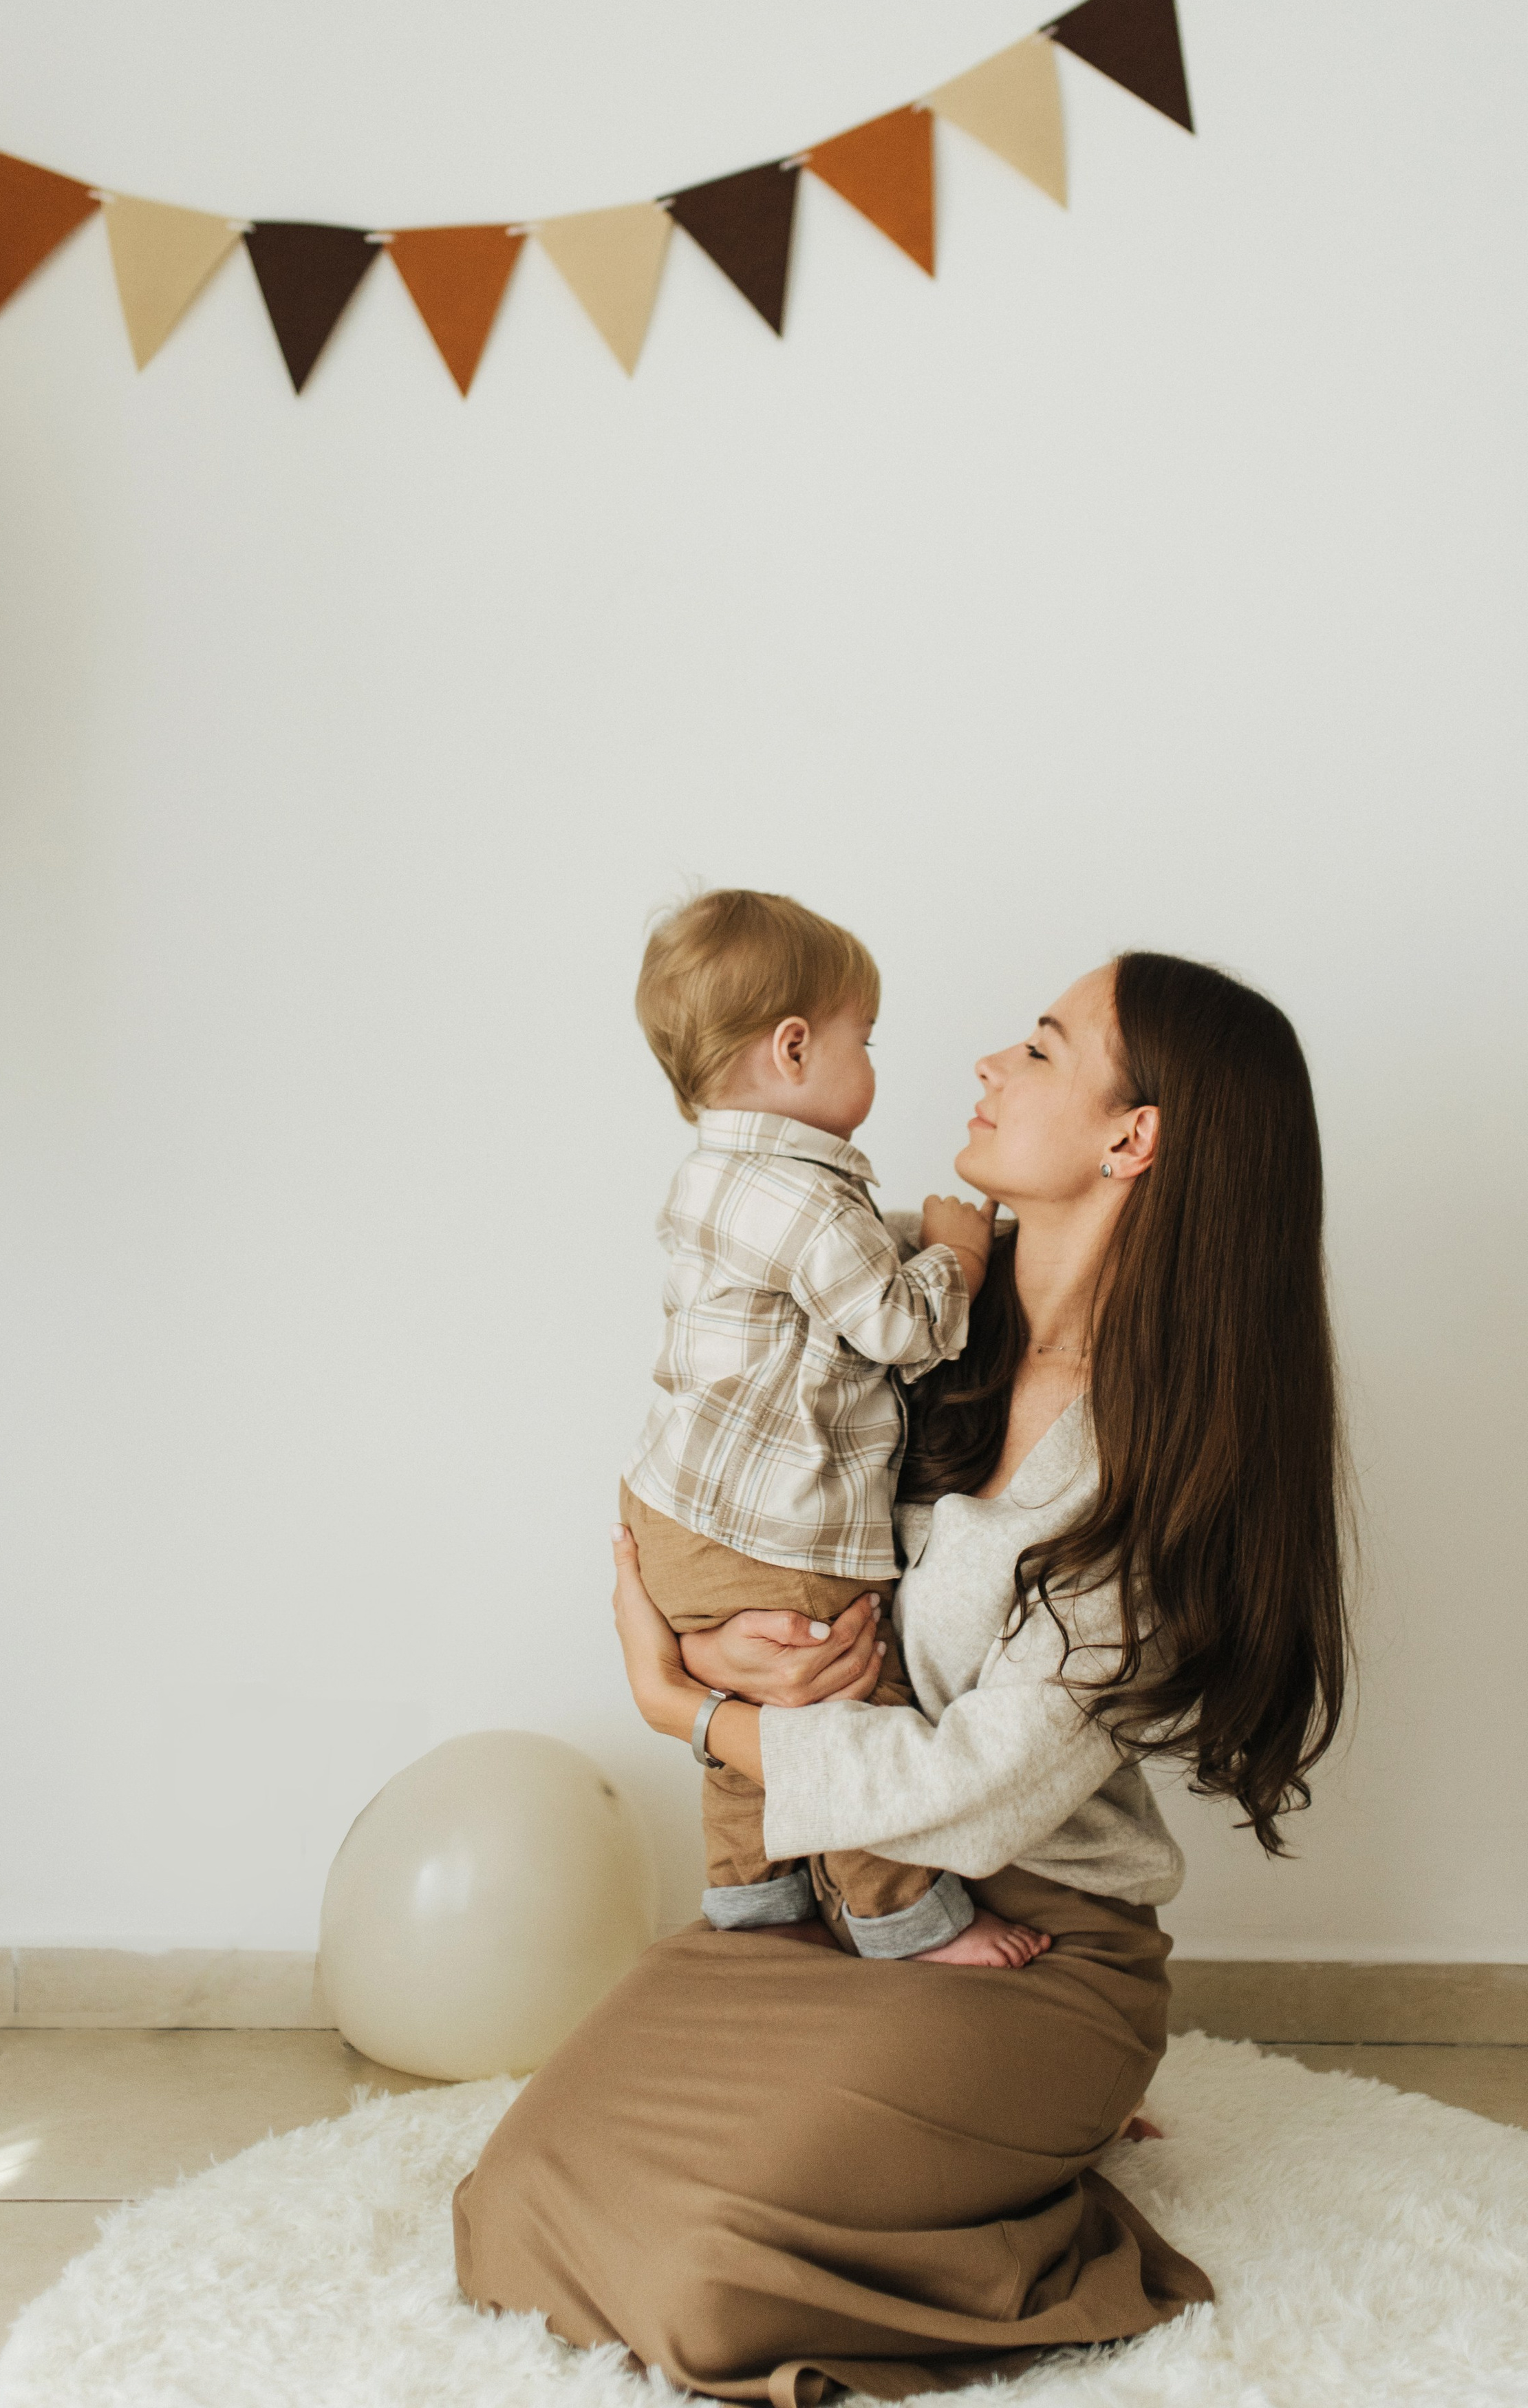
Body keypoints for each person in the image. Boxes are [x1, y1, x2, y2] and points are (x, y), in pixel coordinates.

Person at [455, 951, 1351, 2402]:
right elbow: (729, 1491)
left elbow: (967, 1799)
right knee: (520, 2197)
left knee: (698, 2284)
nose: (991, 1062)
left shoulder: (1158, 1462)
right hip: (835, 1899)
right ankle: (935, 2160)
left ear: (1135, 1139)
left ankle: (1025, 2185)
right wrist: (722, 1639)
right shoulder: (913, 1313)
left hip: (1036, 1952)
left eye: (1045, 1049)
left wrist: (689, 1712)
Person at [625, 888, 1045, 1968]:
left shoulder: (717, 1177)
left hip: (677, 1512)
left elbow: (829, 1286)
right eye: (867, 1038)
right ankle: (900, 1916)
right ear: (796, 1049)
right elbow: (903, 1325)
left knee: (746, 1744)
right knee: (851, 1704)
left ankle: (755, 1906)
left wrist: (918, 1237)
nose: (878, 1061)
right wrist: (959, 1259)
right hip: (775, 1529)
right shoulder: (812, 1204)